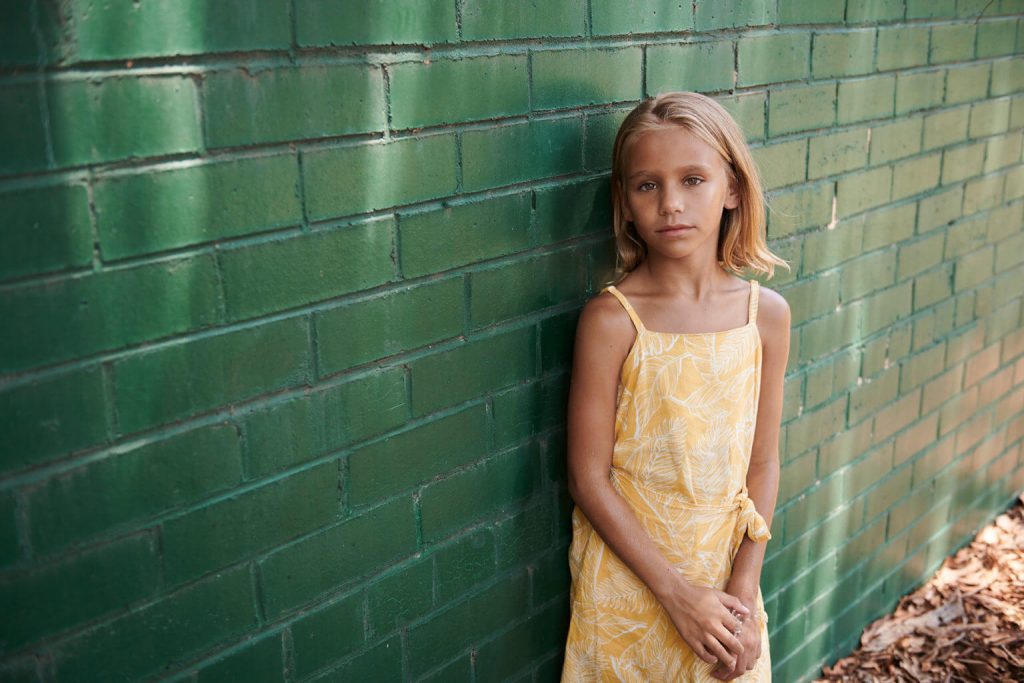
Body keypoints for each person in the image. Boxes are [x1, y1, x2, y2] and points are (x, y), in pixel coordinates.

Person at [561, 91, 791, 682]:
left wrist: (743, 590)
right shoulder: (612, 320)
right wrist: (676, 595)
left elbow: (762, 464)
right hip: (632, 589)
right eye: (647, 186)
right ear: (625, 201)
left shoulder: (764, 315)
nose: (671, 204)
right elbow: (589, 478)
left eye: (693, 179)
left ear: (733, 189)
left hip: (724, 592)